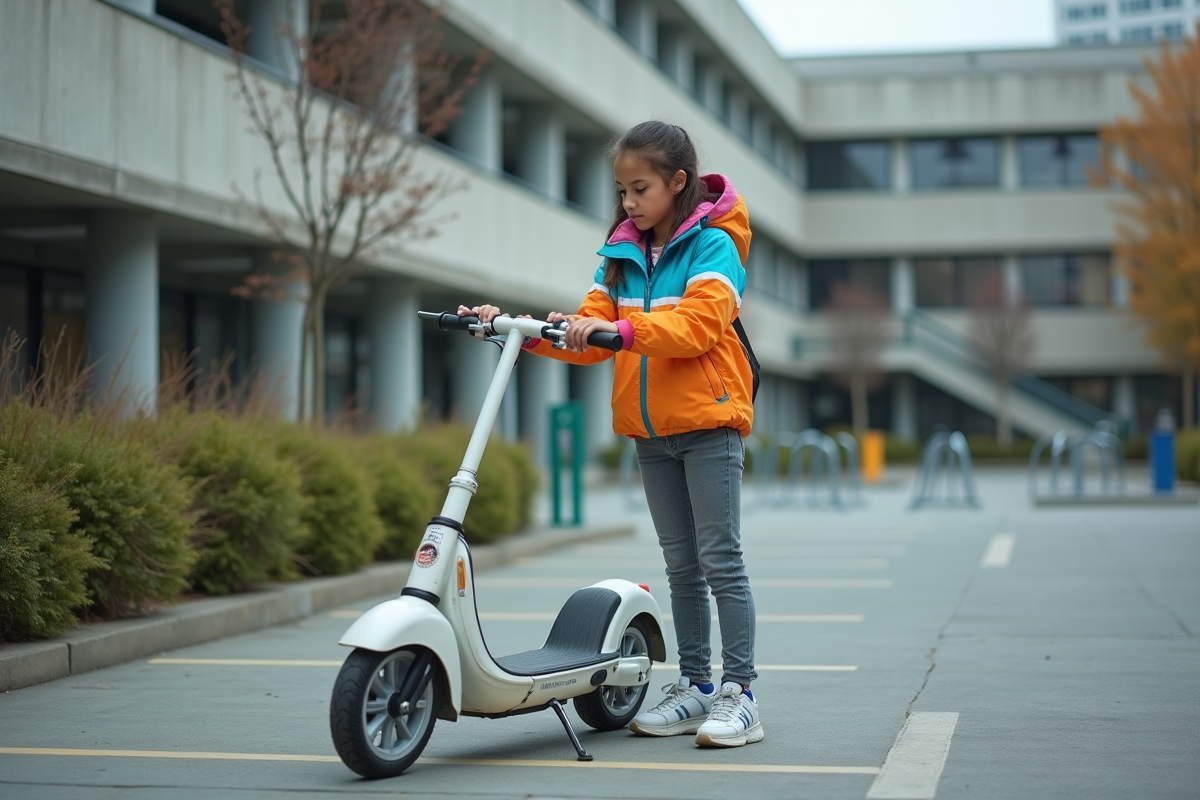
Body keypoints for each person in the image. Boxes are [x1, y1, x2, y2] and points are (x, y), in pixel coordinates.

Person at [459, 120, 760, 748]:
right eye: (621, 190)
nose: (627, 203)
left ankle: (740, 695)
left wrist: (624, 334)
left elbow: (698, 327)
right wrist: (513, 329)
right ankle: (696, 689)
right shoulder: (620, 254)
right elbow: (587, 337)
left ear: (678, 183)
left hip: (709, 424)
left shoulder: (715, 246)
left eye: (639, 188)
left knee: (720, 563)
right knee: (681, 569)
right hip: (651, 434)